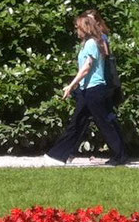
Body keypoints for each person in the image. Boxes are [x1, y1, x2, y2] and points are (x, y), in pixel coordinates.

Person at [46, 10, 130, 165]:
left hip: (94, 90)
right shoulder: (89, 43)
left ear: (85, 28)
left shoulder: (92, 43)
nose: (76, 31)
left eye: (78, 28)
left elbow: (87, 67)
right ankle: (58, 155)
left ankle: (120, 156)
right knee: (78, 121)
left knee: (105, 123)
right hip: (87, 90)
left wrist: (71, 86)